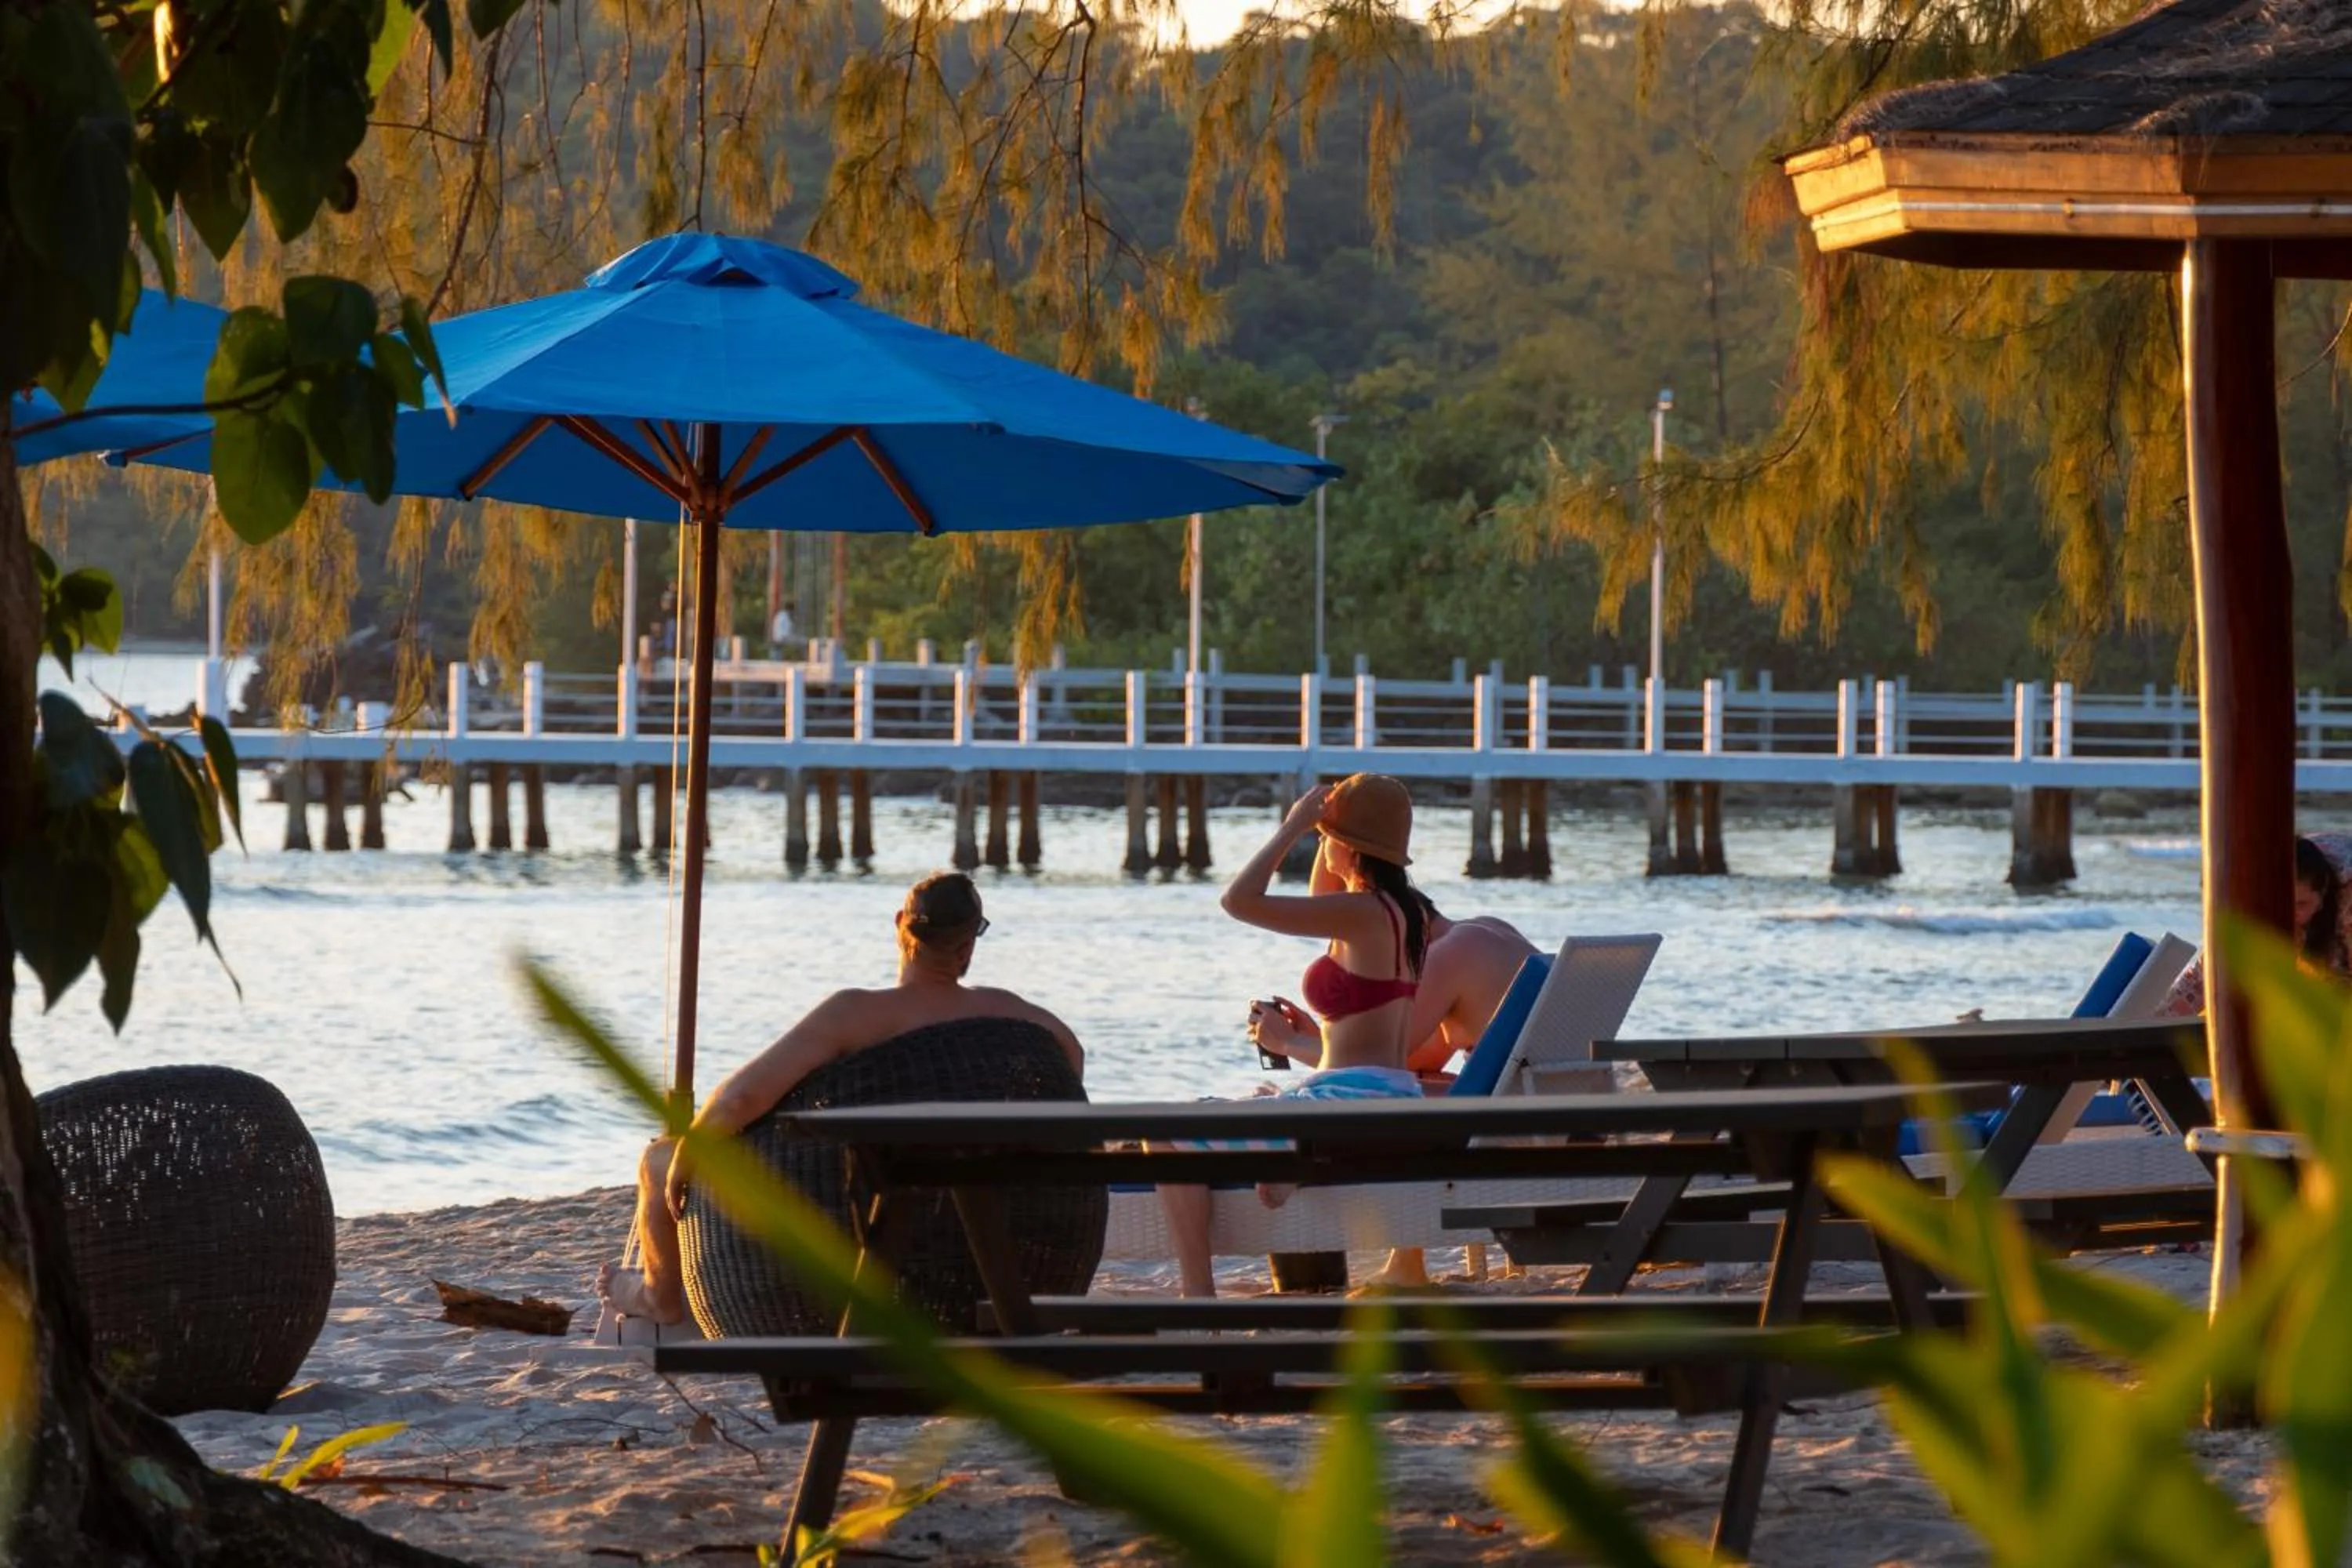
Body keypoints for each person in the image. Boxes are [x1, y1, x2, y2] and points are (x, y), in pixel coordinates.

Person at [597, 872, 1083, 1325]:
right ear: (970, 942)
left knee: (657, 1158)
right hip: (999, 1251)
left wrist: (687, 1152)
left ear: (900, 926)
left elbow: (741, 1100)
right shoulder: (1011, 1013)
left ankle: (658, 1296)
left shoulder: (855, 1014)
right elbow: (1070, 1059)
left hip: (856, 1237)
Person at [1158, 774, 1431, 1298]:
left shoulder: (1362, 913)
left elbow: (1238, 901)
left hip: (1352, 1105)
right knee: (1257, 1100)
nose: (1321, 845)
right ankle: (1296, 1164)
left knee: (1165, 1133)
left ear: (1348, 847)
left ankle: (1197, 1297)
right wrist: (1299, 1036)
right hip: (1382, 1094)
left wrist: (1293, 827)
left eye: (1328, 838)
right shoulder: (1403, 912)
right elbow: (1322, 903)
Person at [1247, 894, 1540, 1288]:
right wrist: (1319, 1038)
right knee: (1403, 1090)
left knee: (1340, 1109)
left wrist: (1287, 1045)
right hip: (1542, 1109)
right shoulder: (1487, 932)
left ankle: (1393, 1267)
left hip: (1507, 1130)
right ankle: (1404, 1264)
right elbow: (1414, 1057)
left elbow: (1374, 1066)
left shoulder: (1446, 955)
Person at [2159, 832, 2352, 1017]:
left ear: (2322, 894)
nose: (2286, 915)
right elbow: (2201, 982)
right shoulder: (2246, 900)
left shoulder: (2345, 908)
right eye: (2278, 903)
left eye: (2300, 904)